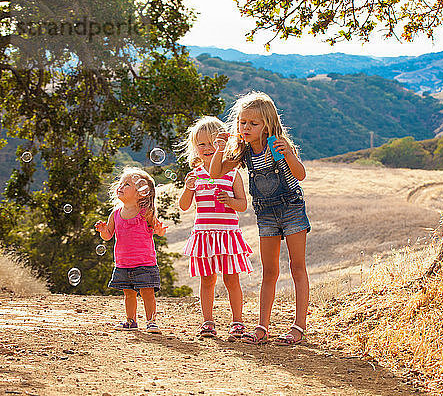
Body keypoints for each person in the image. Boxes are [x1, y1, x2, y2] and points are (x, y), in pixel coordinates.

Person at [209, 91, 311, 346]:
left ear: (268, 124)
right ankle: (262, 327)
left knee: (297, 268)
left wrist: (288, 154)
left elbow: (300, 175)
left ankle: (299, 326)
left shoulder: (277, 145)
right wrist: (219, 150)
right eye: (242, 122)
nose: (246, 128)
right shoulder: (243, 152)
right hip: (266, 214)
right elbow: (215, 173)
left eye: (253, 124)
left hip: (291, 208)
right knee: (269, 271)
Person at [179, 116, 253, 341]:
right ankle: (208, 322)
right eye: (202, 144)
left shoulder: (232, 173)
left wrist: (230, 201)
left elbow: (242, 204)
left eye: (214, 143)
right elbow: (184, 206)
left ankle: (237, 322)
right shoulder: (194, 175)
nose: (208, 148)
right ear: (195, 148)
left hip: (227, 235)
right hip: (204, 235)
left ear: (225, 145)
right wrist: (187, 188)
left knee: (232, 280)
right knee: (207, 279)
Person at [95, 167, 167, 333]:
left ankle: (151, 322)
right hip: (123, 263)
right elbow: (108, 236)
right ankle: (131, 321)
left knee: (148, 293)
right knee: (128, 294)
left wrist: (161, 230)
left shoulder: (145, 213)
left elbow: (157, 229)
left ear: (140, 193)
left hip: (145, 263)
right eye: (121, 183)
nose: (120, 186)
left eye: (126, 184)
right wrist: (103, 230)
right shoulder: (115, 214)